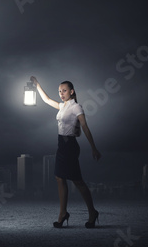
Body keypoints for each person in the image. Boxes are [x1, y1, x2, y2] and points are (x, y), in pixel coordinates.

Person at [30, 76, 101, 228]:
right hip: (61, 145)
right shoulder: (62, 106)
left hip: (70, 146)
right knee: (59, 178)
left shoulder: (77, 108)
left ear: (72, 91)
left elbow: (85, 127)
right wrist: (37, 85)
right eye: (59, 91)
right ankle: (63, 213)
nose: (61, 93)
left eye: (64, 90)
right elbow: (47, 99)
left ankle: (92, 212)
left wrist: (93, 147)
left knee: (77, 181)